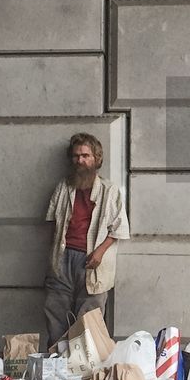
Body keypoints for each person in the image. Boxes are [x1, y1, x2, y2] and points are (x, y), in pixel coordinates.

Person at [43, 133, 130, 351]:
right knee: (56, 313)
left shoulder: (109, 191)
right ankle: (58, 366)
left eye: (85, 156)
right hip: (62, 259)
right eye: (75, 156)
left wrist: (100, 252)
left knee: (89, 318)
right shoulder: (64, 187)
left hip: (92, 261)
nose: (80, 161)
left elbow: (118, 228)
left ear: (96, 159)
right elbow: (52, 221)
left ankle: (84, 372)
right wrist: (56, 254)